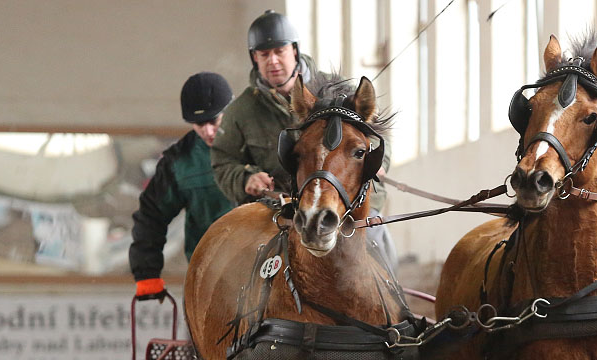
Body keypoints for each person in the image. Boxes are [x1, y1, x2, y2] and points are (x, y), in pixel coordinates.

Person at [211, 9, 398, 270]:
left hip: (349, 204)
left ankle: (395, 304)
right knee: (236, 266)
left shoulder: (337, 89)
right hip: (277, 209)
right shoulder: (241, 111)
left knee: (379, 240)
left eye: (280, 52)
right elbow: (222, 160)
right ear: (254, 58)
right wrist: (245, 178)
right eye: (264, 55)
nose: (273, 61)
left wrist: (379, 163)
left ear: (295, 52)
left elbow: (376, 134)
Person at [129, 71, 236, 300]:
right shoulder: (180, 162)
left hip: (266, 273)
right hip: (208, 281)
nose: (207, 131)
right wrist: (147, 273)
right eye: (199, 124)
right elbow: (151, 215)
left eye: (213, 121)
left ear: (230, 111)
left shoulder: (261, 146)